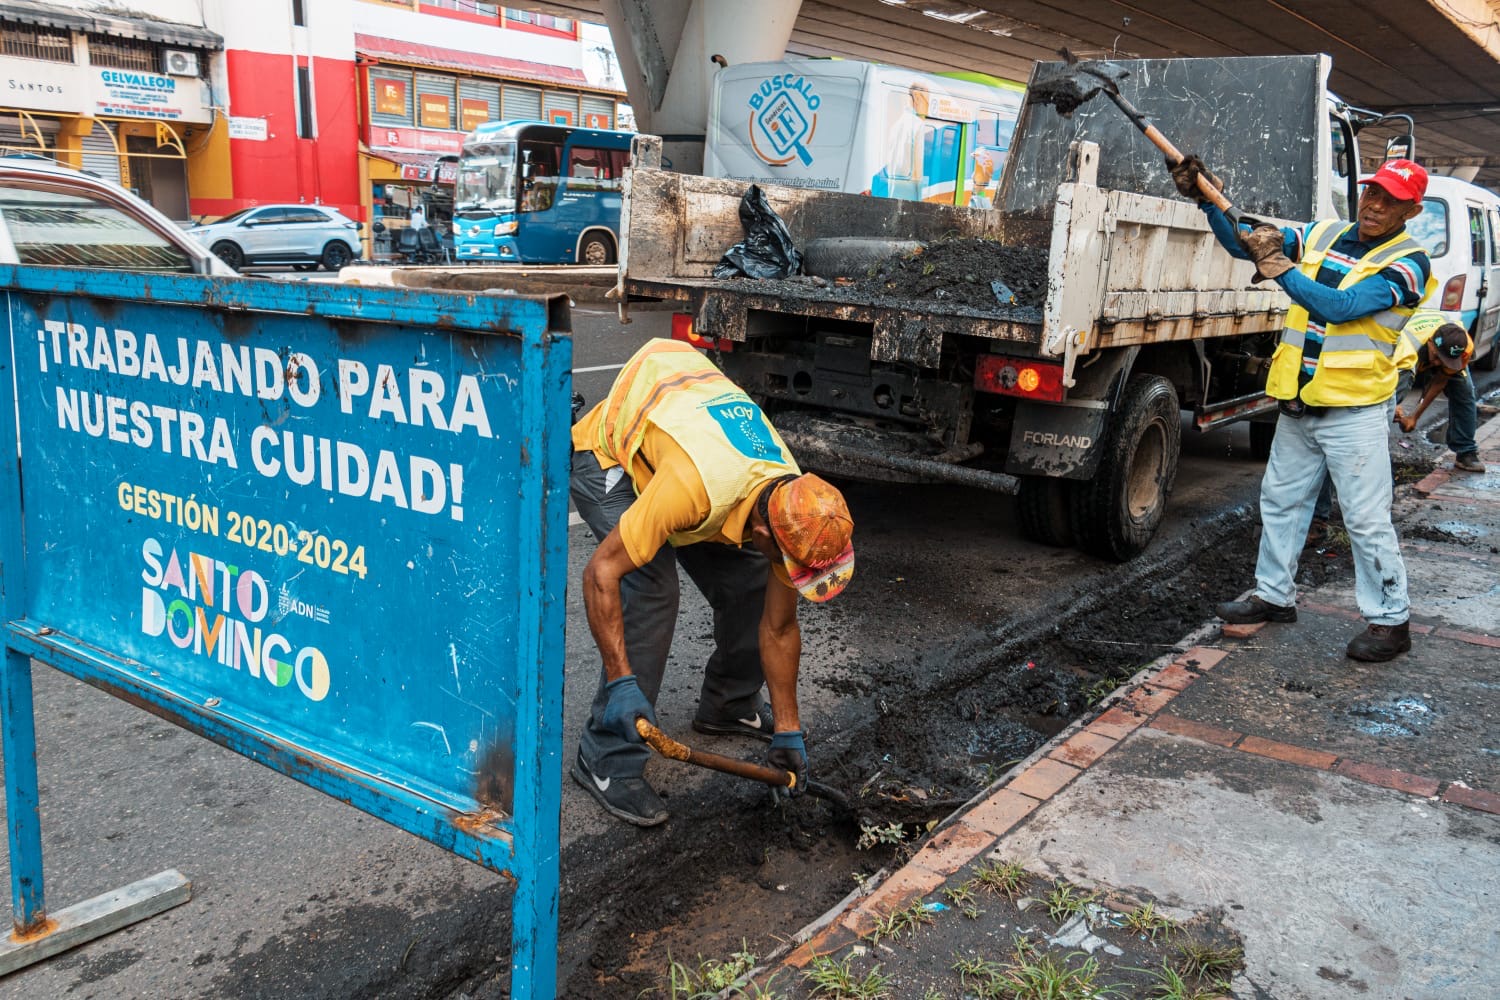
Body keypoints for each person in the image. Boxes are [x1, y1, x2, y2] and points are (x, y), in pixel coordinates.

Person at [570, 338, 856, 826]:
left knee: (750, 581)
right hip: (613, 453)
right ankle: (605, 754)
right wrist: (622, 680)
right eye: (788, 562)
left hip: (692, 449)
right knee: (650, 586)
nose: (790, 574)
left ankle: (728, 704)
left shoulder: (788, 498)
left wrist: (789, 729)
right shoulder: (693, 490)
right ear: (765, 531)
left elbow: (780, 628)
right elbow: (601, 572)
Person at [1171, 156, 1435, 662]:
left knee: (1364, 518)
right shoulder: (1324, 234)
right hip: (1299, 401)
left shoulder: (1409, 263)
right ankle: (1273, 596)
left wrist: (1279, 266)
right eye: (1372, 193)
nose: (1375, 205)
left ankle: (1390, 622)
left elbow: (1339, 307)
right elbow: (1245, 245)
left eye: (1391, 200)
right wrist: (1208, 201)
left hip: (1354, 412)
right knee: (1280, 503)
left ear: (1412, 210)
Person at [1306, 312, 1478, 546]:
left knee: (1465, 391)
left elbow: (1441, 378)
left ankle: (1466, 450)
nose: (1437, 364)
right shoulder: (1406, 351)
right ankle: (1320, 518)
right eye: (1435, 358)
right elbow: (1388, 384)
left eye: (1443, 362)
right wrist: (1392, 406)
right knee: (1360, 433)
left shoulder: (1461, 346)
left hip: (1435, 346)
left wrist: (1414, 416)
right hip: (1389, 366)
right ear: (1430, 345)